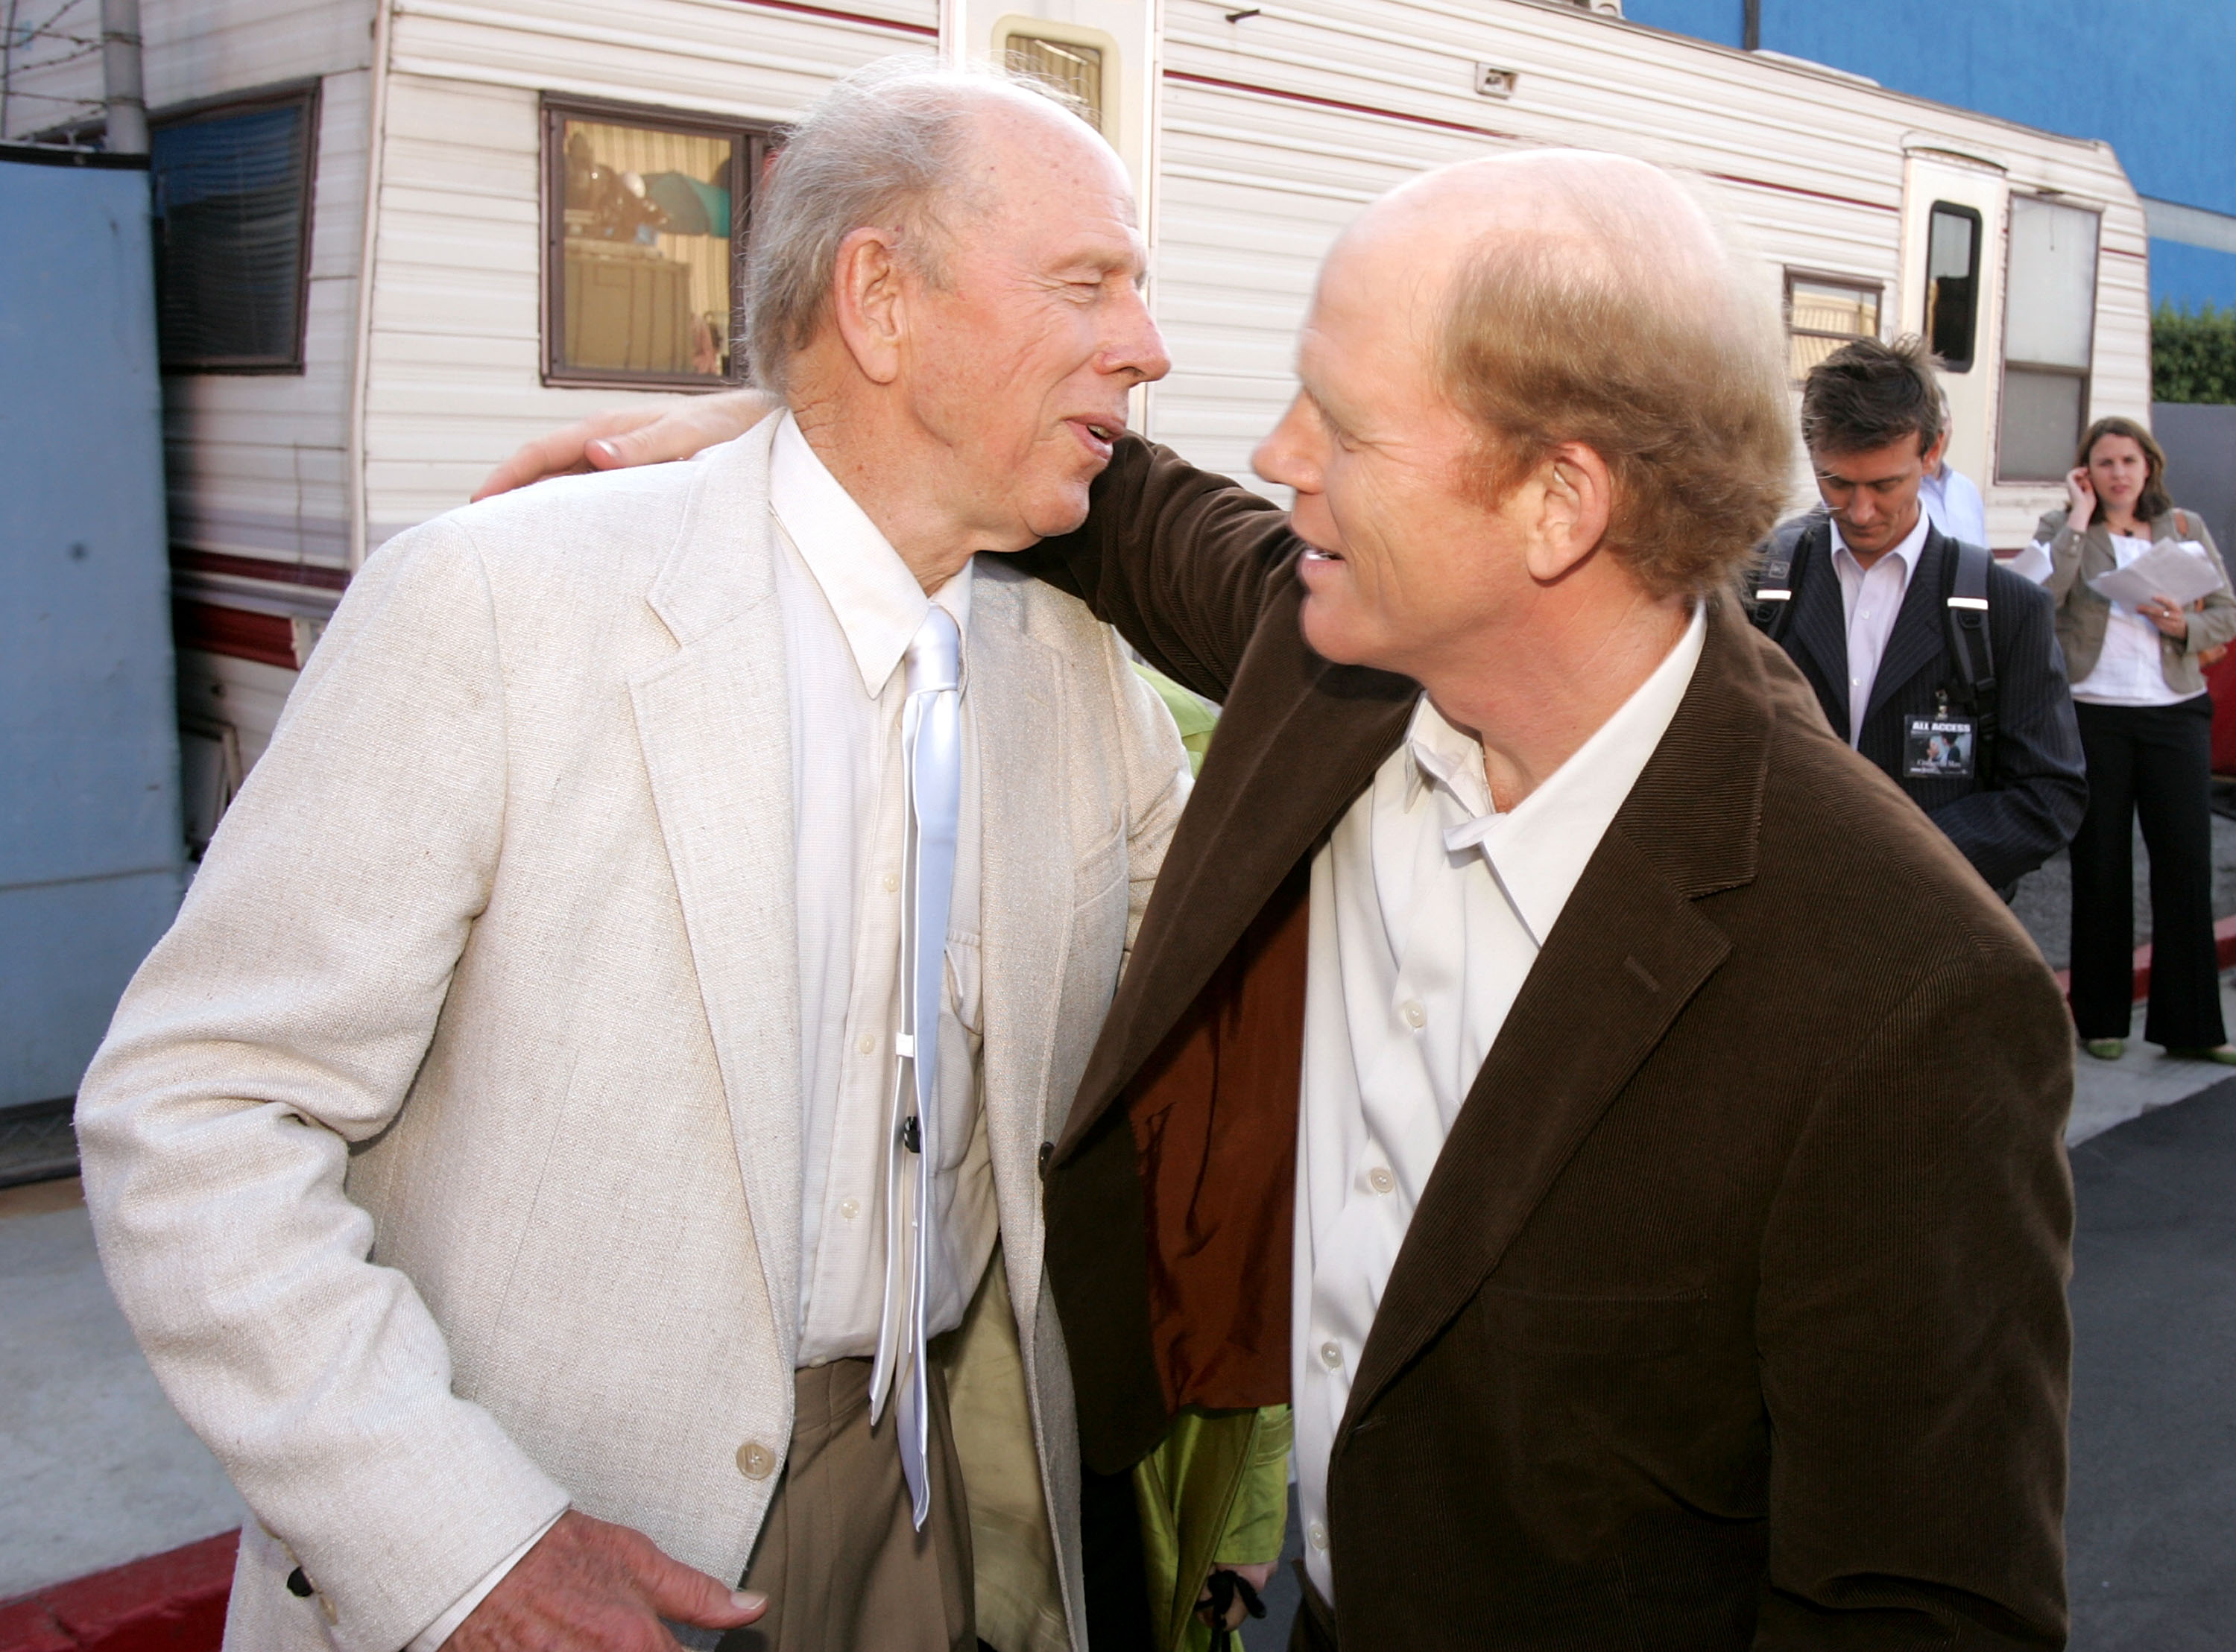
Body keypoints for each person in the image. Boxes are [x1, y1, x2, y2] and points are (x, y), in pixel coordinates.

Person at [501, 148, 2078, 1649]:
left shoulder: (1904, 990)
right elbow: (1133, 513)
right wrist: (795, 424)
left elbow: (1922, 1607)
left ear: (1557, 504)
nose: (1280, 455)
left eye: (1341, 420)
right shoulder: (1342, 652)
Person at [75, 63, 1193, 1652]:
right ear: (878, 297)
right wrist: (454, 1536)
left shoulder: (1082, 681)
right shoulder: (497, 601)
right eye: (1090, 285)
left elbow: (1243, 996)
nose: (1149, 346)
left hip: (947, 1506)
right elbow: (195, 1111)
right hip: (559, 1519)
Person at [1752, 337, 2085, 893]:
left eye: (1886, 484)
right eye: (1836, 481)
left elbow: (2049, 796)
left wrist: (1902, 857)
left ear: (1932, 453)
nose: (1859, 511)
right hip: (1782, 925)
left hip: (1934, 940)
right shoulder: (1754, 586)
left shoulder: (2008, 610)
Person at [2024, 415, 2236, 1063]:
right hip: (2096, 714)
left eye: (2129, 461)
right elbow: (2038, 597)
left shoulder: (2184, 529)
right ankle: (2100, 1019)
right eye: (2105, 462)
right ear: (2087, 471)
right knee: (2101, 866)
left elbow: (2225, 611)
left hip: (2175, 712)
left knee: (2185, 866)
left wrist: (2182, 625)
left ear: (2149, 468)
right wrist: (2079, 516)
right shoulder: (2063, 530)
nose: (2118, 472)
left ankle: (2194, 1026)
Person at [1918, 390, 1989, 548]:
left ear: (1952, 423)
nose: (1936, 433)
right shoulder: (1903, 493)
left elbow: (1984, 557)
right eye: (1928, 423)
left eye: (1941, 421)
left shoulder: (1967, 491)